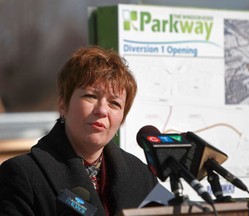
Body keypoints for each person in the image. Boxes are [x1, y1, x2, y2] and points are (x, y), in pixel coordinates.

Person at [0, 45, 158, 216]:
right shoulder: (22, 175)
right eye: (90, 96)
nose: (102, 110)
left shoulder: (142, 175)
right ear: (63, 104)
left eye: (114, 103)